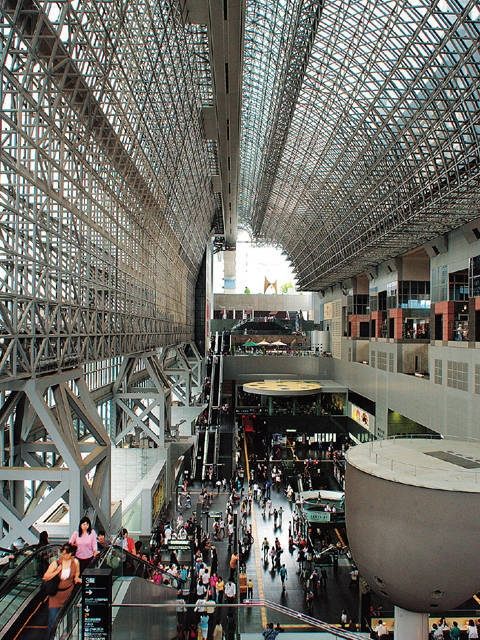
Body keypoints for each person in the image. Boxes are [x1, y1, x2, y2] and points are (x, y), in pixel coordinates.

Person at [43, 543, 81, 635]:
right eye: (62, 554)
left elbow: (76, 574)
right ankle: (51, 637)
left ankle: (67, 635)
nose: (64, 556)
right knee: (53, 619)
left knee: (69, 618)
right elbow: (46, 577)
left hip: (68, 593)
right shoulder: (56, 563)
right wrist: (57, 571)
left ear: (71, 553)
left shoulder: (75, 562)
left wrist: (77, 579)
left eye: (66, 554)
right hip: (56, 595)